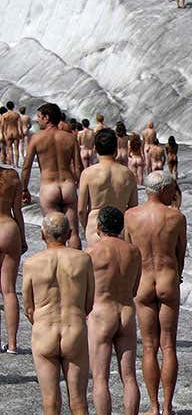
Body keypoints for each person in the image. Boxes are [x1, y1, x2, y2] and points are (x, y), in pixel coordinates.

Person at [24, 212, 93, 415]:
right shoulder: (83, 260)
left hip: (44, 332)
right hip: (74, 329)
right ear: (69, 234)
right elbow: (88, 302)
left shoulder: (32, 263)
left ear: (43, 234)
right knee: (79, 403)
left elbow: (29, 306)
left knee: (50, 404)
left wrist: (42, 320)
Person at [124, 171, 187, 415]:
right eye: (171, 190)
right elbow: (180, 253)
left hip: (142, 280)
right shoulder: (176, 217)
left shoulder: (131, 216)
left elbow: (129, 250)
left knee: (149, 346)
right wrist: (177, 275)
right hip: (167, 278)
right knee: (168, 345)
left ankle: (153, 406)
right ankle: (168, 406)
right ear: (163, 191)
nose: (174, 194)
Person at [84, 206, 141, 415]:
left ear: (99, 227)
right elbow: (135, 288)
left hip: (101, 313)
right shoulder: (133, 252)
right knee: (129, 376)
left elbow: (84, 289)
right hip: (126, 312)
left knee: (100, 377)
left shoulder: (91, 253)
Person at [22, 103, 83, 248]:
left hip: (49, 187)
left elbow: (26, 167)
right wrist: (81, 187)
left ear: (47, 117)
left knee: (53, 238)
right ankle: (78, 261)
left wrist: (24, 189)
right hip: (68, 186)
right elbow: (78, 167)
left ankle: (56, 262)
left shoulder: (36, 138)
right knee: (73, 233)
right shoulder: (70, 138)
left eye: (39, 117)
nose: (37, 120)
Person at [77, 127, 137, 247]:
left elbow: (81, 210)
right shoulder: (128, 174)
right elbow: (133, 208)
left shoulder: (88, 173)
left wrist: (86, 226)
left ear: (95, 149)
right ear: (116, 149)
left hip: (95, 225)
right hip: (119, 226)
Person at [0, 163, 24, 353]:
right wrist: (22, 237)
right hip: (9, 228)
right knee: (9, 290)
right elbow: (17, 211)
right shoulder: (12, 176)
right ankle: (13, 344)